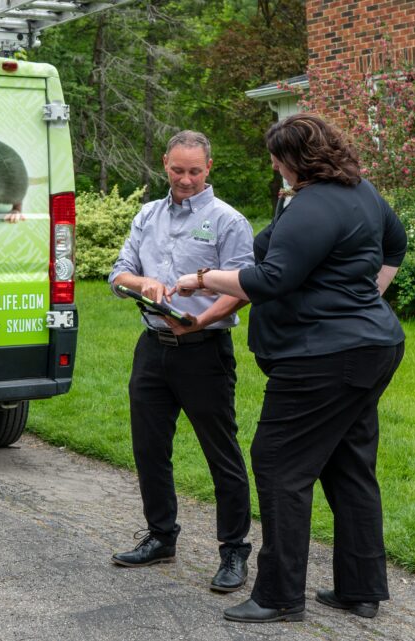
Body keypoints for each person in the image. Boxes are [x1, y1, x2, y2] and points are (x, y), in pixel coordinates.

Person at [172, 113, 407, 622]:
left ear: (295, 159)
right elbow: (396, 243)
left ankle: (279, 595)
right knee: (348, 466)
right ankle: (360, 589)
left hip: (322, 358)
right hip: (370, 347)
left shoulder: (315, 205)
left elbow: (271, 280)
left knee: (280, 464)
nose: (274, 166)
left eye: (277, 158)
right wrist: (367, 298)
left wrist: (201, 279)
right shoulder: (360, 192)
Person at [108, 130, 256, 593]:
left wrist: (200, 320)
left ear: (209, 167)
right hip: (152, 347)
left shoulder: (228, 221)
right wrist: (144, 284)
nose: (186, 179)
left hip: (204, 350)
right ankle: (161, 536)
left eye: (195, 171)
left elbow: (243, 288)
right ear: (164, 164)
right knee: (150, 448)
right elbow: (118, 274)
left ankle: (234, 552)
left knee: (222, 453)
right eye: (177, 170)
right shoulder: (147, 215)